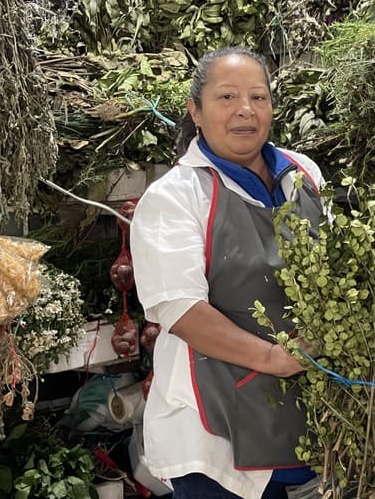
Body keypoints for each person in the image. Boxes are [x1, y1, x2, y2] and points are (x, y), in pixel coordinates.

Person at [130, 46, 325, 499]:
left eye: (258, 97)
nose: (245, 111)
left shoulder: (304, 176)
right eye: (226, 98)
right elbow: (182, 311)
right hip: (215, 435)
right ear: (195, 110)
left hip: (309, 416)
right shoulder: (175, 197)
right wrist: (276, 358)